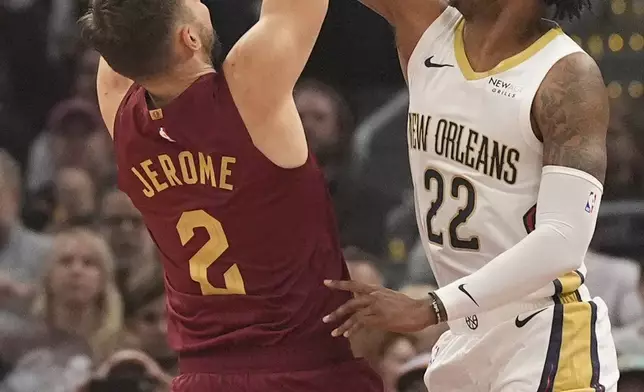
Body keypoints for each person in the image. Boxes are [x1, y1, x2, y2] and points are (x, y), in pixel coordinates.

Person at [78, 0, 382, 391]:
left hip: (202, 376)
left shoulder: (116, 102)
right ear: (188, 37)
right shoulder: (248, 89)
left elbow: (118, 27)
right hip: (302, 370)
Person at [323, 0, 619, 391]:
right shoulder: (426, 29)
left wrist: (432, 307)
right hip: (462, 338)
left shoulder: (566, 76)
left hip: (544, 337)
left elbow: (563, 238)